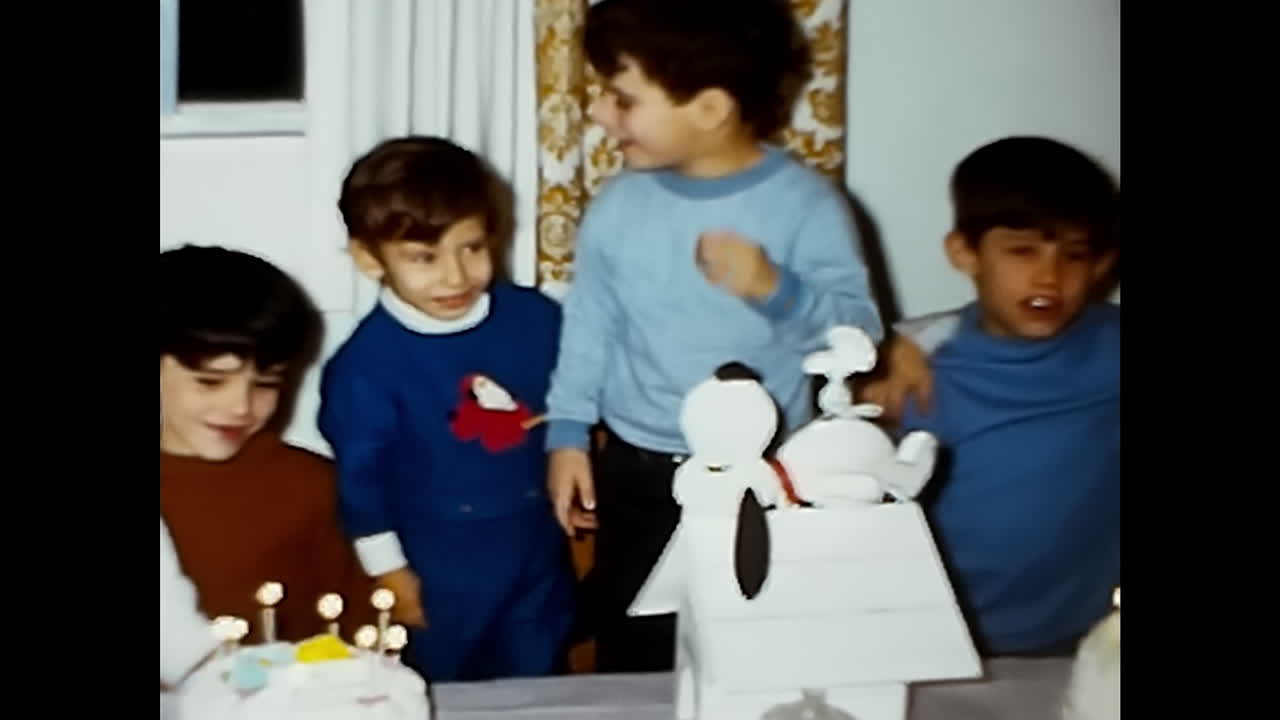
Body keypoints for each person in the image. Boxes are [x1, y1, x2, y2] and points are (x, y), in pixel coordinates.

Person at [544, 0, 884, 672]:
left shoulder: (806, 206)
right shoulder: (617, 207)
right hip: (639, 470)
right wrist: (566, 431)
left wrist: (775, 289)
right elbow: (590, 324)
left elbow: (860, 333)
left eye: (621, 98)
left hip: (766, 473)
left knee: (754, 638)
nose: (600, 116)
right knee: (637, 644)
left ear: (708, 108)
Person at [318, 136, 575, 682]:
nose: (455, 276)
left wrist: (575, 458)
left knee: (538, 668)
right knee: (445, 679)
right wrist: (388, 572)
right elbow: (361, 489)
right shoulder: (365, 369)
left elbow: (573, 393)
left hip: (533, 544)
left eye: (472, 247)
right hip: (438, 562)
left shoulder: (535, 318)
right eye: (423, 258)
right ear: (369, 258)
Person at [875, 136, 1120, 656]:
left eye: (1075, 256)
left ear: (1101, 265)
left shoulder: (1110, 347)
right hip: (944, 642)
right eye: (1022, 250)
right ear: (964, 252)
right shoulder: (920, 369)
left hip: (1085, 643)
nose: (1049, 277)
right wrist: (885, 351)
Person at [160, 245, 378, 645]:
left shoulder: (310, 483)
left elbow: (356, 630)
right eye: (210, 381)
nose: (240, 406)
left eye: (266, 384)